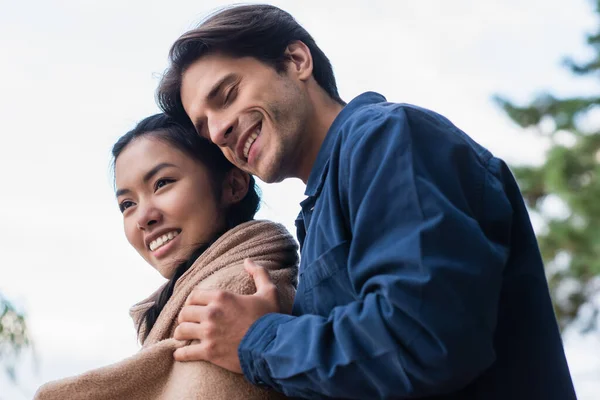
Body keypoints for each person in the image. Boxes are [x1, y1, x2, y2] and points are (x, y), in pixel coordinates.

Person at [155, 4, 578, 400]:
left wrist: (259, 338)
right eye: (205, 128)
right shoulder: (320, 208)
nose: (219, 131)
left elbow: (422, 337)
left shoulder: (390, 137)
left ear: (297, 61)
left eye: (227, 94)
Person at [34, 114, 298, 400]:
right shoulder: (179, 303)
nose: (144, 218)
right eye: (127, 204)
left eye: (162, 183)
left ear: (232, 186)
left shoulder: (233, 293)